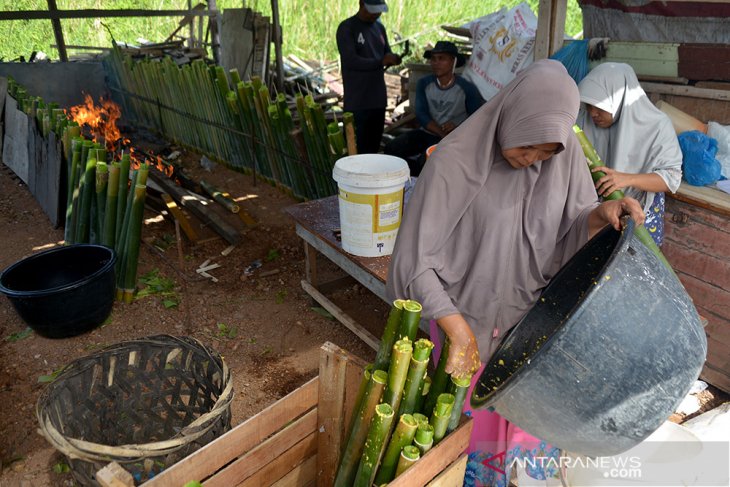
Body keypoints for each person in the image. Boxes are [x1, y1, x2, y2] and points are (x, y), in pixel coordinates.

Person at [386, 60, 645, 486]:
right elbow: (414, 260)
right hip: (463, 323)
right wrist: (458, 330)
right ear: (512, 115)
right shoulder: (453, 163)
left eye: (547, 152)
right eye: (529, 146)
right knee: (466, 440)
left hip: (530, 328)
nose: (533, 160)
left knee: (527, 446)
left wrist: (604, 213)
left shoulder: (562, 159)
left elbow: (575, 223)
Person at [577, 62, 683, 246]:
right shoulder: (584, 121)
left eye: (599, 106)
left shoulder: (657, 125)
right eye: (589, 105)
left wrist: (626, 179)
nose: (592, 113)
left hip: (639, 213)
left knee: (634, 267)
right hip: (598, 211)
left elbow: (671, 178)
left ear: (619, 99)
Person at [384, 41, 484, 175]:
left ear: (453, 61)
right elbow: (422, 115)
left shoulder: (467, 88)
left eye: (442, 58)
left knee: (426, 162)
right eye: (433, 59)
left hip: (455, 138)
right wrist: (441, 134)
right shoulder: (424, 84)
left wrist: (457, 126)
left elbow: (478, 118)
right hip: (429, 132)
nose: (436, 63)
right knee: (391, 149)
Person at [336, 0, 402, 154]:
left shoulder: (379, 27)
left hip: (377, 98)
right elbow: (351, 60)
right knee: (355, 150)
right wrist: (381, 61)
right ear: (361, 4)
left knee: (372, 148)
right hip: (357, 100)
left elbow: (385, 54)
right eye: (372, 10)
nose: (375, 14)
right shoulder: (347, 28)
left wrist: (392, 59)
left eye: (378, 11)